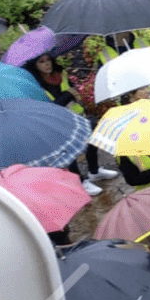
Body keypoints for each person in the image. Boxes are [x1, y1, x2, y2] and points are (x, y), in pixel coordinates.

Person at [28, 50, 117, 193]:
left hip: (77, 116)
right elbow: (52, 107)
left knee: (91, 142)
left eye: (48, 60)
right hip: (58, 122)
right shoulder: (37, 86)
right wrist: (69, 94)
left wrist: (76, 94)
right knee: (69, 153)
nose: (47, 64)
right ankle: (81, 182)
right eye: (41, 62)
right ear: (35, 66)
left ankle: (94, 171)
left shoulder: (60, 75)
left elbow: (75, 91)